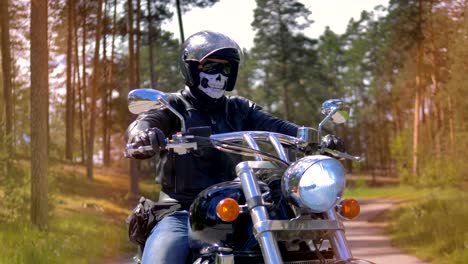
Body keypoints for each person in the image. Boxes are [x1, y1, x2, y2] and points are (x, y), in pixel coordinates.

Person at [126, 31, 343, 264]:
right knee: (164, 256)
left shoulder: (240, 108)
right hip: (182, 210)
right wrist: (142, 135)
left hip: (238, 204)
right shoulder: (173, 106)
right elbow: (146, 121)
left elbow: (276, 126)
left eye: (225, 68)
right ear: (190, 68)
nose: (219, 75)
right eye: (210, 66)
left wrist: (314, 137)